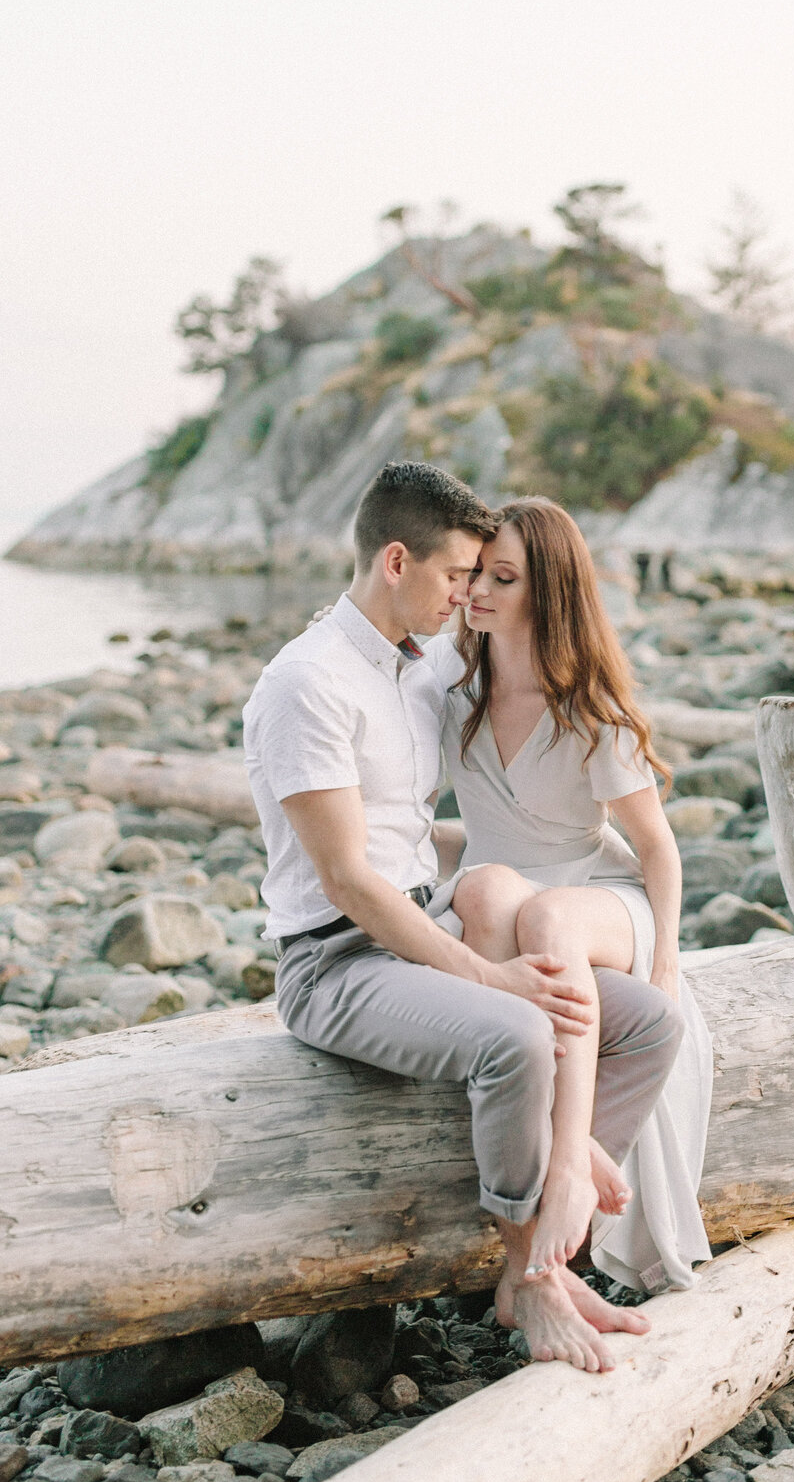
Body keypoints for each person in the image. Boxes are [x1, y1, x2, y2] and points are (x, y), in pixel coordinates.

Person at [242, 462, 684, 1374]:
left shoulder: (421, 666)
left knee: (647, 1022)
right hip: (335, 961)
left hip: (415, 921)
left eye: (484, 578)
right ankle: (529, 1280)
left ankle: (572, 1178)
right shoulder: (308, 685)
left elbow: (525, 668)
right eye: (456, 576)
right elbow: (347, 884)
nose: (467, 595)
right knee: (518, 1035)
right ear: (396, 561)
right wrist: (485, 975)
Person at [424, 497, 713, 1293]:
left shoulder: (591, 710)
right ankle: (552, 1160)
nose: (478, 590)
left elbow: (656, 846)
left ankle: (572, 1157)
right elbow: (475, 829)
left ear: (546, 592)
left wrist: (665, 967)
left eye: (504, 578)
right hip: (505, 895)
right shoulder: (456, 700)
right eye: (477, 572)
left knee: (545, 913)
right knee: (481, 891)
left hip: (599, 897)